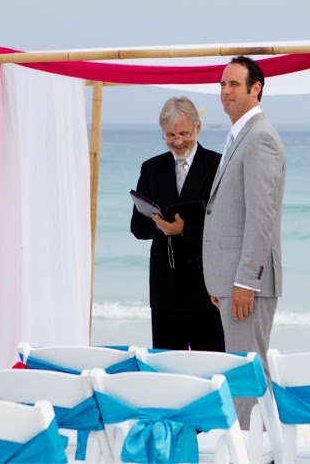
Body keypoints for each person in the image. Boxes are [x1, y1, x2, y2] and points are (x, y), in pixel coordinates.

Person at [203, 56, 286, 426]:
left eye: (234, 84)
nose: (225, 91)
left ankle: (249, 452)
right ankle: (260, 449)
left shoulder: (261, 138)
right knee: (247, 375)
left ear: (256, 89)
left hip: (247, 282)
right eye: (222, 84)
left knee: (246, 379)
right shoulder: (240, 134)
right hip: (232, 280)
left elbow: (260, 217)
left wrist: (244, 282)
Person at [130, 96, 225, 352]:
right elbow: (137, 226)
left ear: (198, 128)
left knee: (210, 364)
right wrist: (159, 227)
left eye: (184, 133)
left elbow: (227, 225)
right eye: (170, 135)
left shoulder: (218, 166)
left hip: (206, 286)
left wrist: (185, 229)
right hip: (165, 287)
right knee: (167, 366)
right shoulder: (151, 168)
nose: (178, 141)